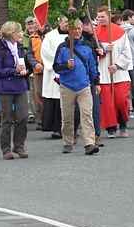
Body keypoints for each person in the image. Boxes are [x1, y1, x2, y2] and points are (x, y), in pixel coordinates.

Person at [53, 19, 100, 155]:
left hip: (84, 85)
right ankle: (68, 141)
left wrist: (96, 82)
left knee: (86, 115)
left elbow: (93, 66)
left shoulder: (87, 46)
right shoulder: (62, 48)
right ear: (69, 30)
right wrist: (66, 66)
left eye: (80, 28)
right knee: (67, 117)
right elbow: (56, 67)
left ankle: (89, 143)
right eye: (75, 29)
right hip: (67, 86)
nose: (78, 31)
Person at [0, 21, 30, 160]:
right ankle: (6, 148)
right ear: (11, 33)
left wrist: (26, 69)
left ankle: (19, 145)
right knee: (7, 118)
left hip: (20, 85)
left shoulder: (19, 48)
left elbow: (25, 62)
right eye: (19, 32)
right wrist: (14, 71)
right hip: (6, 87)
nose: (21, 34)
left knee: (23, 116)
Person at [95, 7, 133, 138]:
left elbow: (127, 52)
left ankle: (123, 124)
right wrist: (102, 50)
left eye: (102, 16)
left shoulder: (120, 32)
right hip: (103, 72)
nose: (100, 19)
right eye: (98, 17)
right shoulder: (94, 34)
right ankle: (111, 127)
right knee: (107, 103)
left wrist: (117, 65)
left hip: (118, 73)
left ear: (109, 16)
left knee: (121, 101)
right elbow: (91, 52)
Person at [40, 16, 68, 139]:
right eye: (65, 21)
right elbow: (45, 52)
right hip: (54, 73)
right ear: (60, 22)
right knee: (55, 100)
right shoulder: (50, 36)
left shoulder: (75, 34)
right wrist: (60, 64)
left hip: (70, 72)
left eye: (69, 22)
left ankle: (70, 127)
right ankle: (56, 128)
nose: (67, 24)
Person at [81, 17, 102, 146]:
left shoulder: (92, 39)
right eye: (90, 25)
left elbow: (94, 63)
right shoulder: (82, 41)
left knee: (95, 108)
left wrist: (99, 51)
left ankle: (96, 134)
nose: (93, 28)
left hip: (92, 77)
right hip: (83, 78)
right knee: (85, 110)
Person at [25, 16, 45, 130]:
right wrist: (35, 64)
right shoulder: (32, 38)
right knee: (38, 95)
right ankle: (40, 119)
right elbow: (29, 54)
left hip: (50, 70)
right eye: (35, 23)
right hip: (38, 70)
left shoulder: (50, 36)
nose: (36, 25)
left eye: (38, 23)